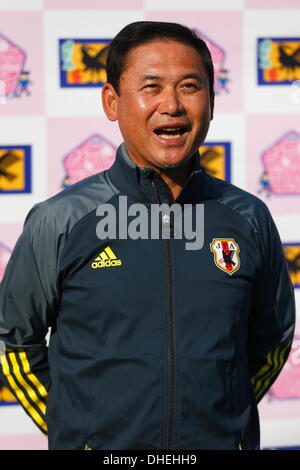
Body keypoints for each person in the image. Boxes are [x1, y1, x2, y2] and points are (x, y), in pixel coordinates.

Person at [0, 21, 295, 451]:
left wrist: (222, 425)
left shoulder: (248, 218)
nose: (171, 105)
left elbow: (272, 339)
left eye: (189, 86)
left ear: (211, 102)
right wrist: (78, 432)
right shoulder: (62, 220)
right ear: (112, 101)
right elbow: (14, 342)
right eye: (151, 86)